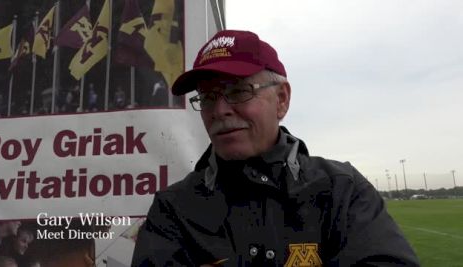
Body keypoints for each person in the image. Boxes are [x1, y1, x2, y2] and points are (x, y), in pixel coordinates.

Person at [131, 30, 420, 266]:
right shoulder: (174, 208)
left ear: (281, 99)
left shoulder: (341, 190)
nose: (219, 110)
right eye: (207, 97)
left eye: (238, 91)